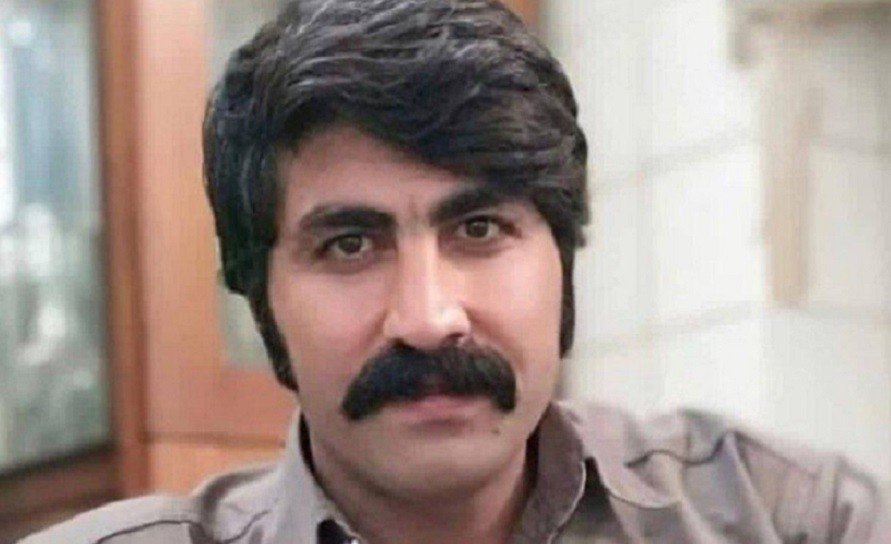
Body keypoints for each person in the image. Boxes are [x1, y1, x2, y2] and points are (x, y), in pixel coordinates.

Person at [22, 0, 889, 542]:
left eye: (478, 228)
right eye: (349, 245)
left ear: (562, 262)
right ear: (261, 301)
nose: (429, 318)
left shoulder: (790, 518)